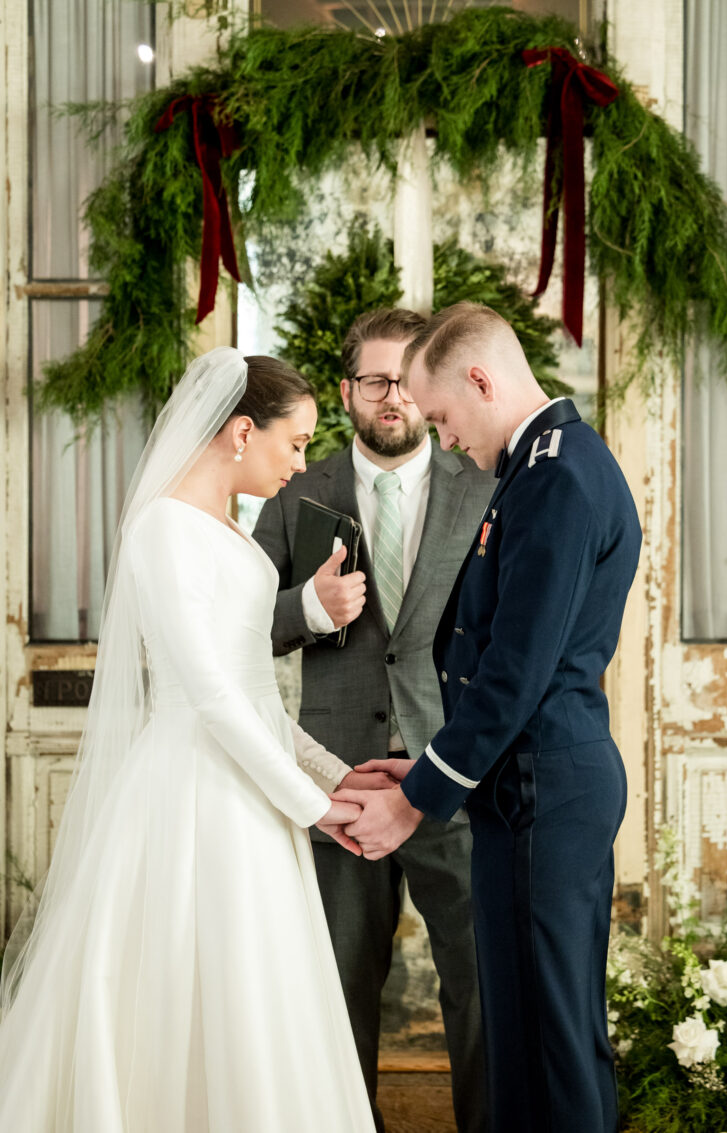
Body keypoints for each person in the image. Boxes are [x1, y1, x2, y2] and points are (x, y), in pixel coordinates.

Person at [0, 348, 376, 1131]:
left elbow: (256, 697)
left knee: (256, 993)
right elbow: (208, 694)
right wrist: (309, 804)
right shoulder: (165, 527)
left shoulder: (228, 531)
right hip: (191, 792)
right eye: (295, 442)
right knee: (182, 987)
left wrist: (339, 779)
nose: (300, 464)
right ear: (242, 431)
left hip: (246, 785)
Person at [340, 302, 643, 1133]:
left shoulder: (558, 474)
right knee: (523, 1037)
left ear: (480, 378)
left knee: (549, 1042)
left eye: (442, 417)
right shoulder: (543, 467)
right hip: (523, 783)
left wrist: (418, 794)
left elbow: (515, 669)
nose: (442, 440)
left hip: (543, 785)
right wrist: (434, 766)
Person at [254, 307, 492, 1133]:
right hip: (340, 783)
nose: (391, 398)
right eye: (373, 382)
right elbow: (239, 625)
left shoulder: (483, 486)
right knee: (336, 990)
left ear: (427, 385)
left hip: (451, 781)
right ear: (347, 389)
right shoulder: (295, 491)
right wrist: (308, 608)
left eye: (403, 380)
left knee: (477, 988)